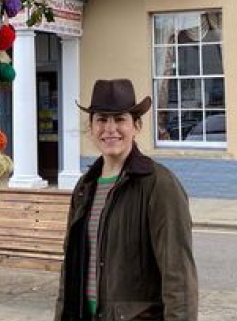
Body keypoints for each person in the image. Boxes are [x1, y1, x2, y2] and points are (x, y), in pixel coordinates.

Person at [54, 78, 198, 321]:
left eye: (120, 119)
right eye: (101, 120)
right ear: (91, 127)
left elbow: (179, 278)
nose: (110, 129)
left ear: (136, 126)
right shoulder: (85, 186)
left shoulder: (160, 185)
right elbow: (69, 269)